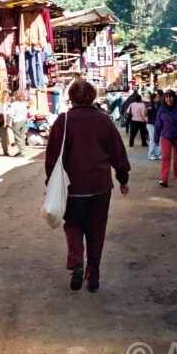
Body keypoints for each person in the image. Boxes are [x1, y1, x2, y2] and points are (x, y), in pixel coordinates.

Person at [45, 80, 130, 293]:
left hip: (72, 187)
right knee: (96, 230)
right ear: (92, 97)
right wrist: (123, 179)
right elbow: (118, 154)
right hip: (100, 187)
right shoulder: (104, 121)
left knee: (73, 224)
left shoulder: (63, 121)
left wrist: (50, 182)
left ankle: (76, 260)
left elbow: (52, 158)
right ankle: (93, 275)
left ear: (71, 97)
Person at [9, 90, 28, 157]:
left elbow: (11, 114)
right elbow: (26, 113)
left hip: (17, 121)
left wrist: (11, 121)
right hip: (23, 121)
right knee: (22, 136)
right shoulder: (24, 104)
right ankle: (23, 150)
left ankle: (21, 151)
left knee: (17, 137)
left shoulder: (14, 104)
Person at [145, 93, 161, 160]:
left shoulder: (159, 105)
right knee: (152, 139)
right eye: (157, 97)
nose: (158, 98)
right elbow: (145, 114)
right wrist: (146, 119)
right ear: (153, 98)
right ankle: (150, 154)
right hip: (151, 124)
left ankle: (157, 153)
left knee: (157, 139)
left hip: (157, 124)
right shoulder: (149, 105)